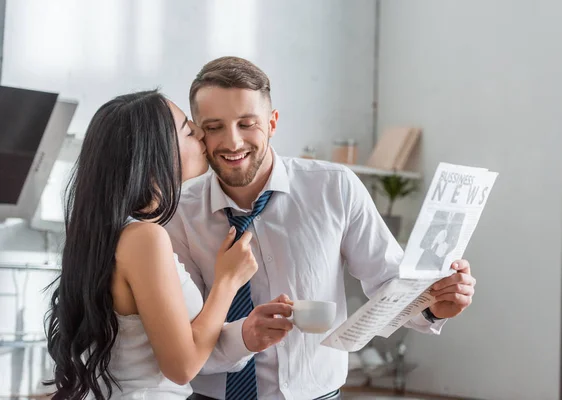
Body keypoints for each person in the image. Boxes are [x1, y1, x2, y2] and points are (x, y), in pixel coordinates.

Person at [165, 57, 476, 400]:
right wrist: (243, 336)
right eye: (214, 127)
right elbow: (180, 337)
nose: (233, 142)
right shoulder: (179, 212)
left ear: (272, 123)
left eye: (246, 123)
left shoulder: (335, 188)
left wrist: (434, 305)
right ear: (197, 133)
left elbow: (388, 281)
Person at [45, 90, 267, 400]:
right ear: (157, 153)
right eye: (189, 131)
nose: (201, 133)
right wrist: (227, 281)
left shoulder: (111, 233)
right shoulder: (144, 239)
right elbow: (182, 366)